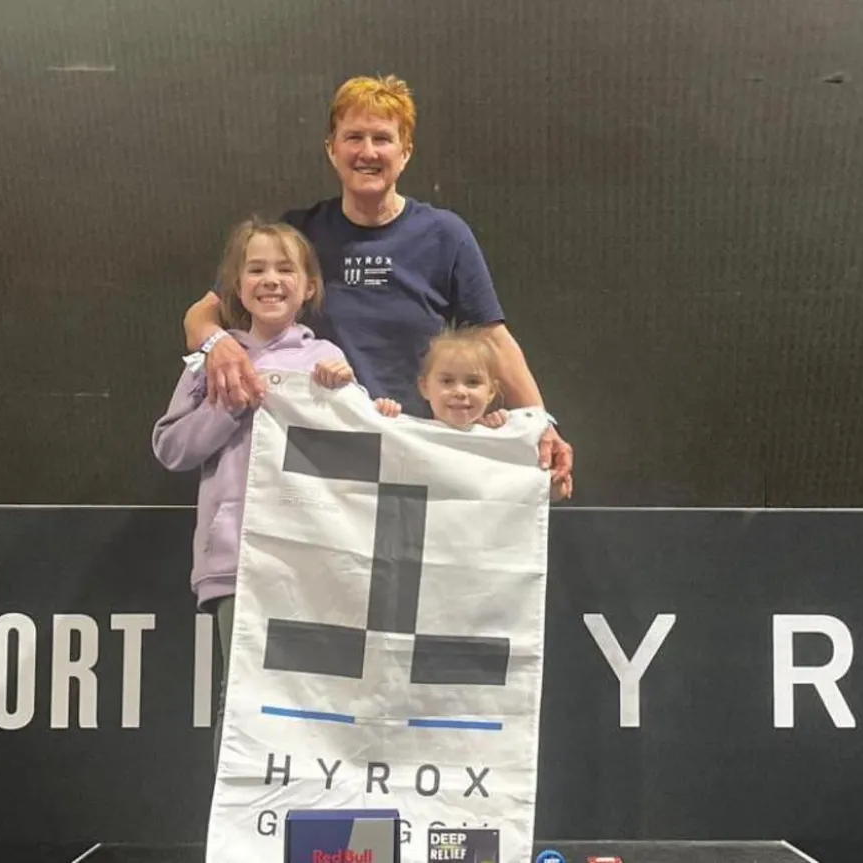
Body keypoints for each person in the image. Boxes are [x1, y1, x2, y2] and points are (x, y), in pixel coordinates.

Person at [179, 73, 574, 500]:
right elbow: (202, 314)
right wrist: (217, 346)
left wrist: (540, 422)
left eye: (382, 138)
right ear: (332, 150)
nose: (367, 152)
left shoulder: (445, 235)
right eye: (353, 137)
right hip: (321, 461)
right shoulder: (297, 234)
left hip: (418, 448)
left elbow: (492, 339)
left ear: (405, 152)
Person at [150, 217, 368, 761]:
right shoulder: (209, 362)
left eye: (285, 268)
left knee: (312, 701)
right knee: (243, 704)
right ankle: (240, 835)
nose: (271, 279)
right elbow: (171, 448)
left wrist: (353, 399)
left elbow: (362, 457)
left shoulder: (326, 361)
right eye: (256, 269)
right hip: (237, 563)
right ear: (236, 286)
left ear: (309, 286)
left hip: (309, 559)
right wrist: (227, 406)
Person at [374, 327, 511, 432]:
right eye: (447, 381)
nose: (460, 392)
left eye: (472, 382)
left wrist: (507, 428)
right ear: (425, 387)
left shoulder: (498, 435)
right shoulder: (408, 432)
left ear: (491, 391)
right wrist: (382, 413)